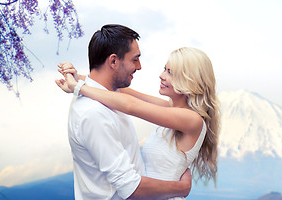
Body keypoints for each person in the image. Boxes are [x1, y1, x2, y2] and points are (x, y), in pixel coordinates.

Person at [57, 45, 221, 199]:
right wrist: (78, 78)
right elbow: (123, 92)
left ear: (188, 80)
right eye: (165, 69)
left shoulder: (192, 120)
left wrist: (78, 88)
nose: (162, 75)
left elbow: (130, 106)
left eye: (170, 72)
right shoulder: (169, 109)